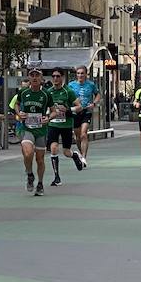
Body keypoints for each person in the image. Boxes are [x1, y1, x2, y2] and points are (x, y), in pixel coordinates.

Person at [10, 67, 50, 195]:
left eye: (37, 75)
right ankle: (30, 174)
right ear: (29, 78)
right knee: (27, 153)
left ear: (41, 78)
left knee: (40, 159)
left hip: (41, 130)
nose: (34, 78)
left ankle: (40, 183)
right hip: (27, 127)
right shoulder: (23, 92)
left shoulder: (46, 94)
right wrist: (19, 113)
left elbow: (53, 110)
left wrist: (48, 118)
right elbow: (16, 104)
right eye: (32, 75)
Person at [42, 68, 85, 186]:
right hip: (53, 124)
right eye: (53, 76)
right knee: (54, 148)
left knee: (66, 152)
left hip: (66, 124)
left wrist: (68, 109)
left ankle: (74, 155)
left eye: (58, 76)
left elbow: (79, 107)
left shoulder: (68, 91)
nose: (55, 79)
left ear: (62, 78)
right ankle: (57, 177)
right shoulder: (48, 92)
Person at [68, 65, 100, 161]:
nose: (80, 75)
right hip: (75, 112)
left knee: (83, 134)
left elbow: (97, 94)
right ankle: (81, 153)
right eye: (78, 73)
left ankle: (84, 157)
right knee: (78, 137)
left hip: (86, 111)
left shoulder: (91, 85)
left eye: (82, 73)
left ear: (86, 74)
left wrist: (94, 103)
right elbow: (68, 97)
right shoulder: (71, 85)